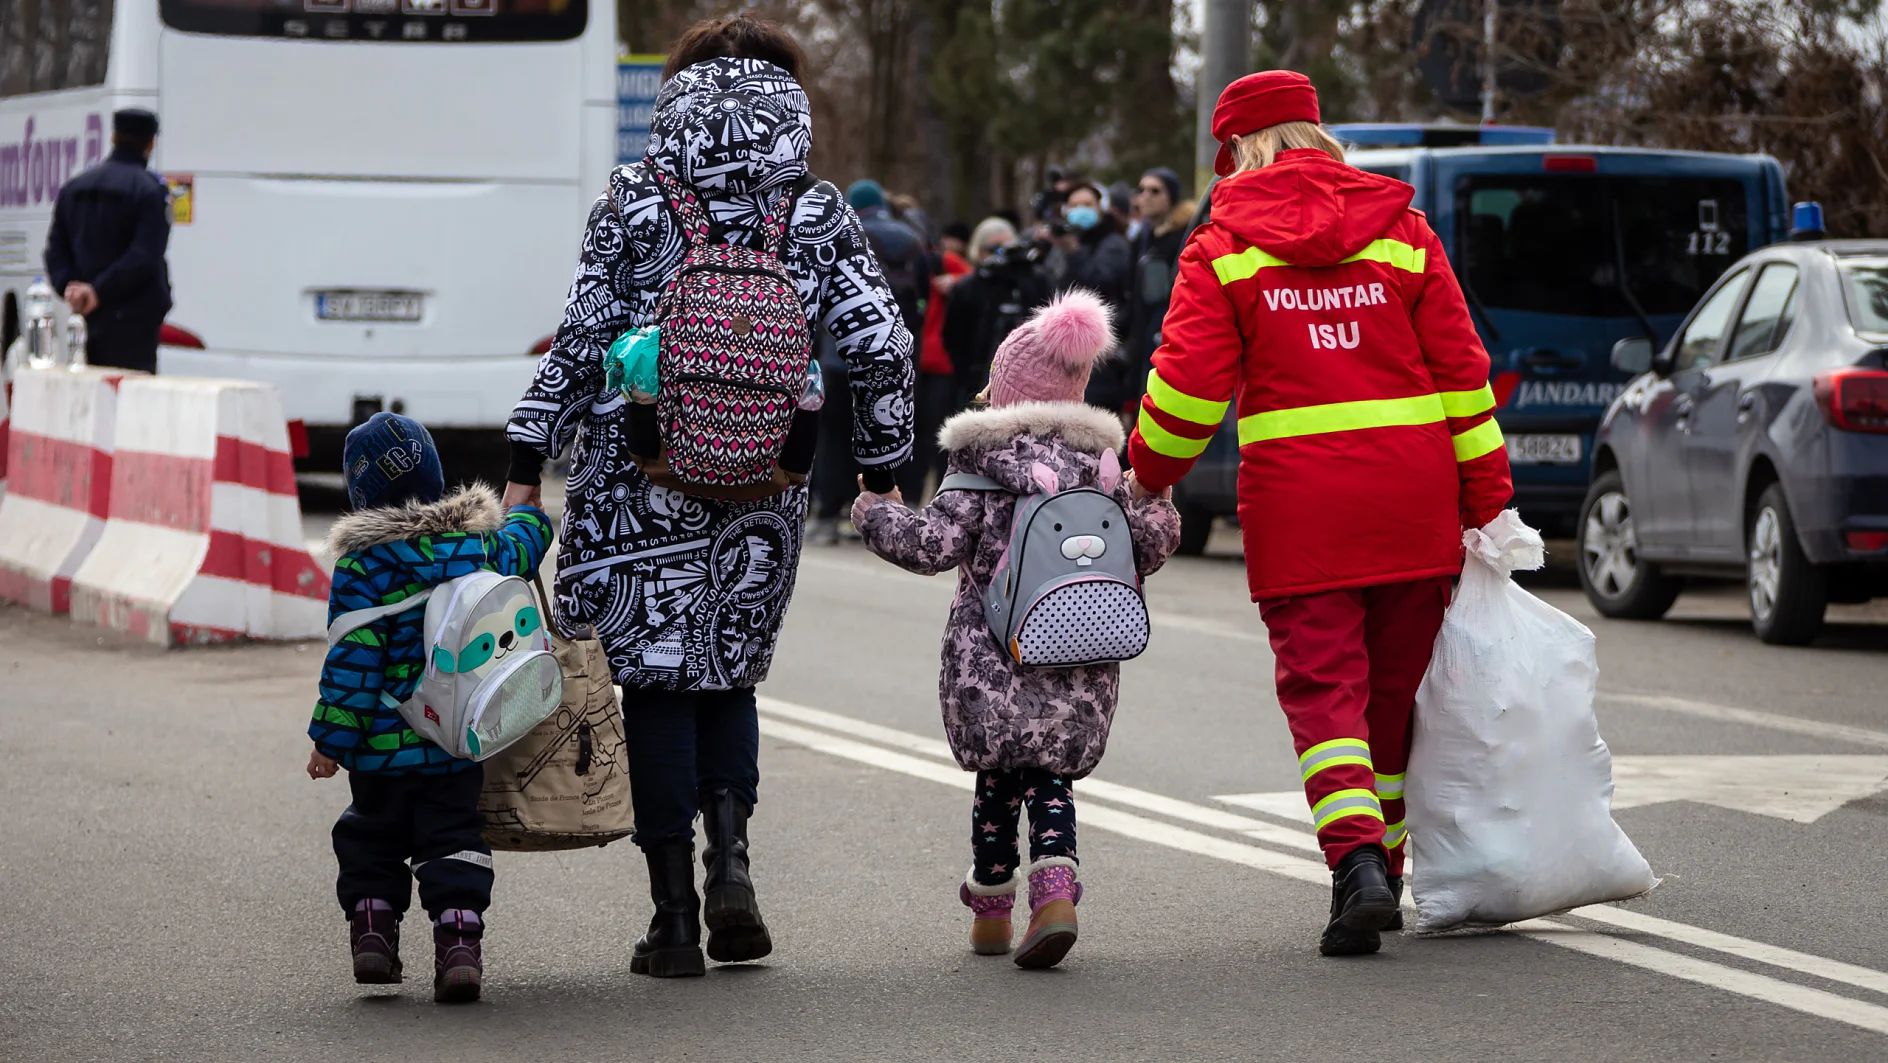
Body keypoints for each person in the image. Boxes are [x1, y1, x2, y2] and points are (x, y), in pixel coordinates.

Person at [502, 17, 916, 978]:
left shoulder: (634, 203)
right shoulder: (815, 212)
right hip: (763, 483)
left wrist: (527, 456)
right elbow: (883, 344)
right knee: (728, 671)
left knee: (652, 680)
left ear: (682, 95)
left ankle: (674, 914)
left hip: (634, 479)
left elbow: (577, 341)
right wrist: (885, 463)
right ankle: (733, 866)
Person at [1126, 70, 1512, 957]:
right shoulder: (1403, 230)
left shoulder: (1222, 245)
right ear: (1317, 133)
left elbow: (1186, 392)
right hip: (1414, 503)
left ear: (1234, 151)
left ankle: (1358, 867)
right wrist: (1489, 498)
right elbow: (1464, 375)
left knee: (1323, 693)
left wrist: (1148, 471)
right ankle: (1389, 859)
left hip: (1301, 511)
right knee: (1390, 701)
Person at [852, 290, 1180, 969]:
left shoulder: (979, 465)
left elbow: (931, 546)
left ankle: (994, 911)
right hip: (1080, 657)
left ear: (1004, 390)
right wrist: (1160, 505)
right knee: (1049, 778)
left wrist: (875, 507)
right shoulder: (1105, 467)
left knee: (997, 780)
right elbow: (1143, 546)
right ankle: (1055, 892)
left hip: (992, 657)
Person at [306, 412, 554, 1002]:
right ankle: (460, 946)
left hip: (379, 754)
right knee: (455, 838)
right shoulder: (475, 545)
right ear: (435, 474)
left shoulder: (361, 567)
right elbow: (524, 543)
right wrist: (528, 512)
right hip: (454, 741)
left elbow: (354, 664)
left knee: (370, 839)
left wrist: (331, 742)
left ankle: (372, 931)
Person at [42, 108, 172, 373]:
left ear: (113, 138)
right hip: (134, 321)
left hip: (86, 317)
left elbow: (56, 249)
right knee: (131, 399)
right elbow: (144, 256)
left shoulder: (75, 187)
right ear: (150, 144)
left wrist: (71, 288)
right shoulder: (150, 191)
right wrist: (98, 291)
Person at [943, 216, 1053, 410]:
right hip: (976, 380)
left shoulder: (1035, 281)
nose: (1002, 255)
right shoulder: (968, 288)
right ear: (978, 251)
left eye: (1008, 248)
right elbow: (953, 337)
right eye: (994, 249)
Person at [905, 219, 974, 498]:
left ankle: (934, 493)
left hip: (936, 360)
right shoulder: (927, 262)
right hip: (928, 359)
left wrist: (956, 282)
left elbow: (973, 277)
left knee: (932, 433)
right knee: (926, 433)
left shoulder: (941, 262)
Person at [1053, 182, 1134, 414]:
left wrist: (1074, 252)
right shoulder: (1061, 244)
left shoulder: (1112, 244)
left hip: (1099, 358)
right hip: (1063, 355)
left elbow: (1099, 285)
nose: (1081, 210)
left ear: (1101, 209)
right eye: (1074, 205)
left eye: (1087, 205)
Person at [1125, 167, 1191, 397]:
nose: (1145, 196)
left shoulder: (1182, 237)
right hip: (1144, 329)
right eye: (1141, 190)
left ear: (1171, 197)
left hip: (1168, 330)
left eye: (1155, 191)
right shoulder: (1142, 238)